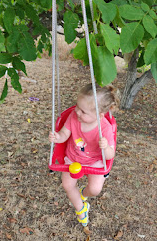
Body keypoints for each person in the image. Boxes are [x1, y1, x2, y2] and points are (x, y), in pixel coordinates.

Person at [49, 83, 119, 226]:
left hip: (95, 161)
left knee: (95, 189)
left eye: (83, 111)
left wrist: (105, 147)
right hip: (73, 158)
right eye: (77, 106)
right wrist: (57, 137)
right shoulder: (73, 118)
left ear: (100, 115)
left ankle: (83, 194)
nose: (77, 112)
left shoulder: (104, 128)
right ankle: (81, 209)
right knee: (67, 185)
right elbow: (64, 134)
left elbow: (110, 155)